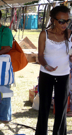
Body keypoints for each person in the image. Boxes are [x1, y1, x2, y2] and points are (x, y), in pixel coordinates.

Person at [36, 6, 72, 135]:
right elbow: (40, 56)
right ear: (53, 20)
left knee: (61, 108)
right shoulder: (44, 34)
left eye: (67, 21)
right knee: (44, 107)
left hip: (63, 75)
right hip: (46, 74)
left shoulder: (70, 34)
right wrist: (46, 65)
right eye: (62, 21)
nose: (65, 24)